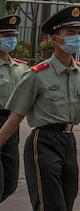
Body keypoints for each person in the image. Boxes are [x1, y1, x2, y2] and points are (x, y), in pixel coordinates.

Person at [0, 6, 80, 211]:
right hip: (43, 142)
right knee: (50, 204)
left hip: (69, 143)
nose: (77, 38)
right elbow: (15, 116)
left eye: (79, 33)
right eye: (70, 34)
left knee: (67, 200)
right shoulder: (36, 75)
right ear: (55, 39)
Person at [0, 14, 28, 202]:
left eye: (13, 36)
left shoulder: (22, 68)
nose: (11, 40)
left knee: (10, 184)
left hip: (12, 123)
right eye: (5, 36)